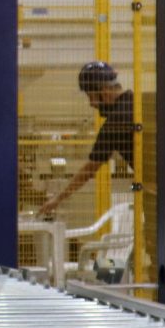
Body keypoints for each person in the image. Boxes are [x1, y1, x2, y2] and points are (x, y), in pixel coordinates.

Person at [40, 61, 135, 220]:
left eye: (91, 97)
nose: (91, 104)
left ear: (104, 91)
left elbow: (89, 170)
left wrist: (57, 199)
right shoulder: (137, 103)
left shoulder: (115, 122)